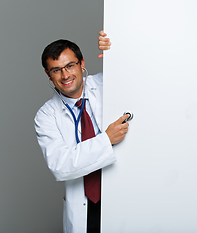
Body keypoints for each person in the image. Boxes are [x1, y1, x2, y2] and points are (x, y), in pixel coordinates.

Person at [34, 31, 129, 233]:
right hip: (85, 209)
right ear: (48, 74)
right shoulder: (45, 116)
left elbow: (140, 73)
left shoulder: (109, 84)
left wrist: (118, 50)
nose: (65, 75)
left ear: (82, 63)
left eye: (70, 65)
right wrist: (106, 140)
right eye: (56, 70)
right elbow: (61, 166)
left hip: (124, 194)